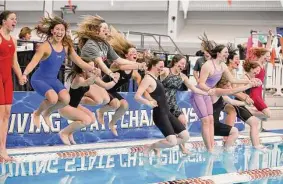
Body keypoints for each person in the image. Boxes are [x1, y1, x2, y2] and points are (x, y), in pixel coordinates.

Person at [23, 15, 95, 128]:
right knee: (53, 98)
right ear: (52, 31)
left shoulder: (66, 46)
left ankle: (47, 113)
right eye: (57, 29)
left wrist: (92, 69)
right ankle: (37, 114)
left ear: (65, 32)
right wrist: (25, 74)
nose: (59, 32)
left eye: (62, 30)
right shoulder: (45, 46)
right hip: (39, 79)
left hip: (52, 80)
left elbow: (79, 62)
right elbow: (33, 62)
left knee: (66, 99)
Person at [191, 34, 259, 153]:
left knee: (211, 120)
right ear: (218, 54)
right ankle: (209, 149)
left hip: (209, 94)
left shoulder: (222, 65)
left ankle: (210, 148)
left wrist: (249, 81)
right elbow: (201, 83)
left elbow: (233, 80)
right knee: (206, 121)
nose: (227, 55)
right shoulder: (208, 66)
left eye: (228, 53)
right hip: (200, 94)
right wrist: (209, 90)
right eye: (225, 52)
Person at [76, 15, 146, 109]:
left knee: (105, 100)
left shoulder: (105, 45)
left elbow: (119, 59)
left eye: (107, 28)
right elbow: (101, 63)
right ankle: (74, 98)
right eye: (104, 29)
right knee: (99, 99)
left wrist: (138, 64)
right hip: (85, 76)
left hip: (95, 76)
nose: (107, 31)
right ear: (97, 31)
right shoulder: (91, 44)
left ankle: (78, 99)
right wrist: (111, 74)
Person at [97, 26, 150, 136]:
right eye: (132, 52)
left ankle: (112, 123)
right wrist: (138, 65)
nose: (135, 53)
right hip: (102, 88)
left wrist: (144, 92)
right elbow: (122, 68)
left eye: (136, 52)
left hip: (112, 90)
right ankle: (100, 112)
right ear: (126, 55)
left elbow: (139, 79)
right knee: (116, 103)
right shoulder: (117, 64)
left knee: (125, 105)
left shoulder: (134, 71)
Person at [135, 57, 190, 156]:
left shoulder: (155, 78)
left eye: (163, 66)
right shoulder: (148, 79)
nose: (162, 69)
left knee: (185, 136)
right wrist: (148, 102)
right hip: (159, 114)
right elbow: (137, 96)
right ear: (153, 66)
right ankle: (150, 147)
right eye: (160, 67)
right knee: (172, 142)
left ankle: (157, 147)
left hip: (167, 112)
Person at [59, 58, 118, 145]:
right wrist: (96, 75)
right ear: (84, 68)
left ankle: (70, 132)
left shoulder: (89, 76)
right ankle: (64, 133)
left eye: (94, 67)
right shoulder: (78, 78)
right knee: (86, 120)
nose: (94, 69)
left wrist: (115, 80)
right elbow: (86, 83)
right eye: (91, 67)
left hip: (74, 105)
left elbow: (106, 86)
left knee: (92, 119)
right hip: (65, 107)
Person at [160, 54, 210, 154]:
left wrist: (207, 92)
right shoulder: (165, 71)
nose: (183, 66)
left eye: (184, 65)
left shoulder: (183, 77)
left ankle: (182, 148)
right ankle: (160, 146)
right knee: (171, 130)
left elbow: (194, 89)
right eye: (181, 63)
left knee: (183, 121)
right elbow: (152, 75)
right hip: (163, 104)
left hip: (173, 104)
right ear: (175, 62)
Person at [0, 11, 27, 161]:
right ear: (4, 21)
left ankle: (2, 148)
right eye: (12, 19)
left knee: (7, 113)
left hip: (7, 79)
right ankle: (1, 150)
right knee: (0, 114)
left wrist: (20, 75)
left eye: (16, 19)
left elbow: (14, 62)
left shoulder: (13, 40)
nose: (15, 21)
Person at [213, 75, 265, 151]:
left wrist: (245, 103)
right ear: (221, 85)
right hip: (211, 126)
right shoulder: (216, 92)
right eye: (227, 86)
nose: (229, 87)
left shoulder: (222, 96)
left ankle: (226, 149)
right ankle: (226, 149)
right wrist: (249, 85)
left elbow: (232, 101)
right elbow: (232, 91)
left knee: (234, 131)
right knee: (234, 129)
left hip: (215, 125)